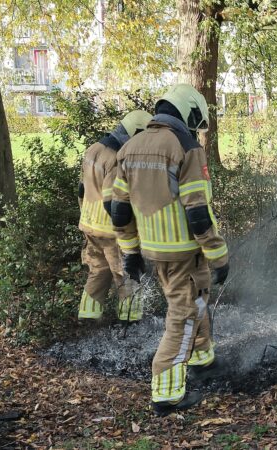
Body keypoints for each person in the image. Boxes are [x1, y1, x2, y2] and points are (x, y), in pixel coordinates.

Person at [111, 83, 230, 415]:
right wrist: (219, 255)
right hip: (184, 253)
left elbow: (118, 211)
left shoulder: (129, 147)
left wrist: (131, 253)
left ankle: (203, 359)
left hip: (153, 250)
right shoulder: (186, 147)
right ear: (189, 111)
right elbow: (198, 212)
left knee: (198, 300)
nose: (195, 128)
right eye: (196, 121)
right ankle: (166, 393)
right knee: (183, 314)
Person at [78, 110, 152, 321]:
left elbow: (81, 189)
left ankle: (88, 316)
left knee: (98, 271)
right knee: (126, 275)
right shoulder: (117, 158)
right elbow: (114, 203)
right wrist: (130, 231)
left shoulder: (94, 149)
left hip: (89, 225)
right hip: (111, 231)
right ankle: (131, 320)